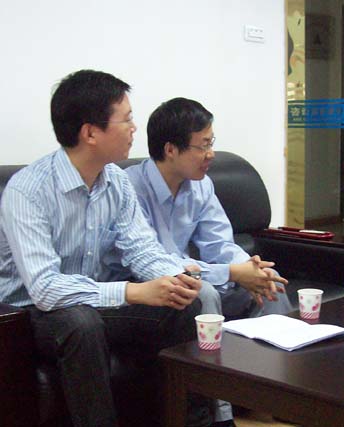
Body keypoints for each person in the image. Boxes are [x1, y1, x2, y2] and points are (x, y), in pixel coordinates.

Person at [0, 70, 206, 427]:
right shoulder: (27, 191)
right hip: (30, 312)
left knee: (182, 307)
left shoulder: (117, 182)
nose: (134, 128)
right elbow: (45, 289)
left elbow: (141, 248)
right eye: (126, 119)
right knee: (81, 323)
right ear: (90, 133)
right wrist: (133, 291)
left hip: (90, 303)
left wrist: (174, 277)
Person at [122, 97, 293, 426]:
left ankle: (273, 400)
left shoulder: (200, 186)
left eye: (211, 143)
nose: (211, 154)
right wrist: (232, 272)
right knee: (205, 295)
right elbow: (153, 261)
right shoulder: (130, 188)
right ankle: (220, 415)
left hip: (195, 276)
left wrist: (251, 269)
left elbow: (219, 244)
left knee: (271, 285)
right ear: (171, 149)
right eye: (203, 146)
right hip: (151, 287)